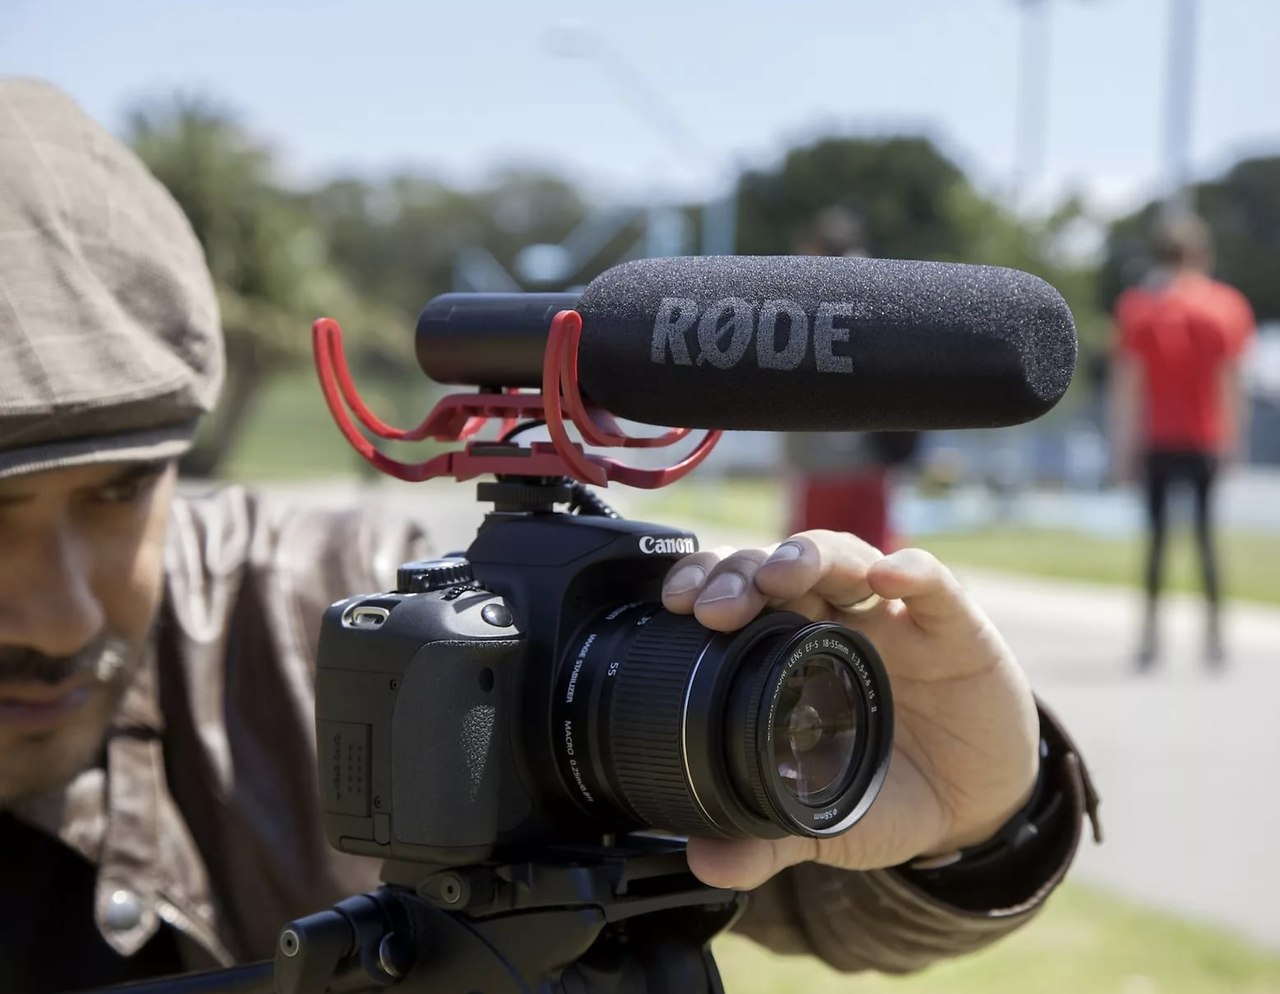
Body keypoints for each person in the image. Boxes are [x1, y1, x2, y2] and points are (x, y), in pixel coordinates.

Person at [0, 78, 1099, 992]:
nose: (59, 614)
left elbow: (815, 887)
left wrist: (979, 816)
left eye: (118, 494)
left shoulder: (344, 610)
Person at [1109, 209, 1256, 670]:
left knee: (1156, 541)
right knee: (1206, 539)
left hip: (1157, 440)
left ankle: (1150, 639)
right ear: (1202, 254)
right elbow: (1231, 383)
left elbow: (1128, 387)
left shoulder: (1139, 308)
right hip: (1206, 438)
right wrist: (1234, 442)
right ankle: (1214, 638)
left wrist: (1123, 449)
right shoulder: (1225, 306)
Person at [782, 206, 920, 551]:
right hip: (872, 462)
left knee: (810, 564)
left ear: (818, 246)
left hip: (826, 466)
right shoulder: (884, 290)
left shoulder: (809, 290)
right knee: (876, 565)